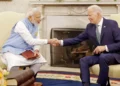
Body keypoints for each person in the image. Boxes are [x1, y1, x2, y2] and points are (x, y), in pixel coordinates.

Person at [51, 5, 120, 86]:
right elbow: (77, 39)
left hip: (115, 55)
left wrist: (105, 47)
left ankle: (102, 83)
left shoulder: (111, 24)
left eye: (90, 15)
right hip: (101, 56)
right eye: (88, 15)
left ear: (98, 14)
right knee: (84, 60)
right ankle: (85, 84)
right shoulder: (90, 27)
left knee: (103, 57)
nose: (88, 17)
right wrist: (60, 42)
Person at [1, 7, 54, 79]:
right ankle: (14, 80)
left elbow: (36, 39)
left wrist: (36, 50)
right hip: (12, 50)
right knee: (14, 63)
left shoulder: (35, 24)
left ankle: (29, 78)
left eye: (40, 16)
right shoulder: (21, 24)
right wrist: (49, 41)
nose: (40, 19)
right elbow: (30, 41)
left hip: (26, 51)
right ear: (30, 17)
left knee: (39, 60)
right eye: (38, 17)